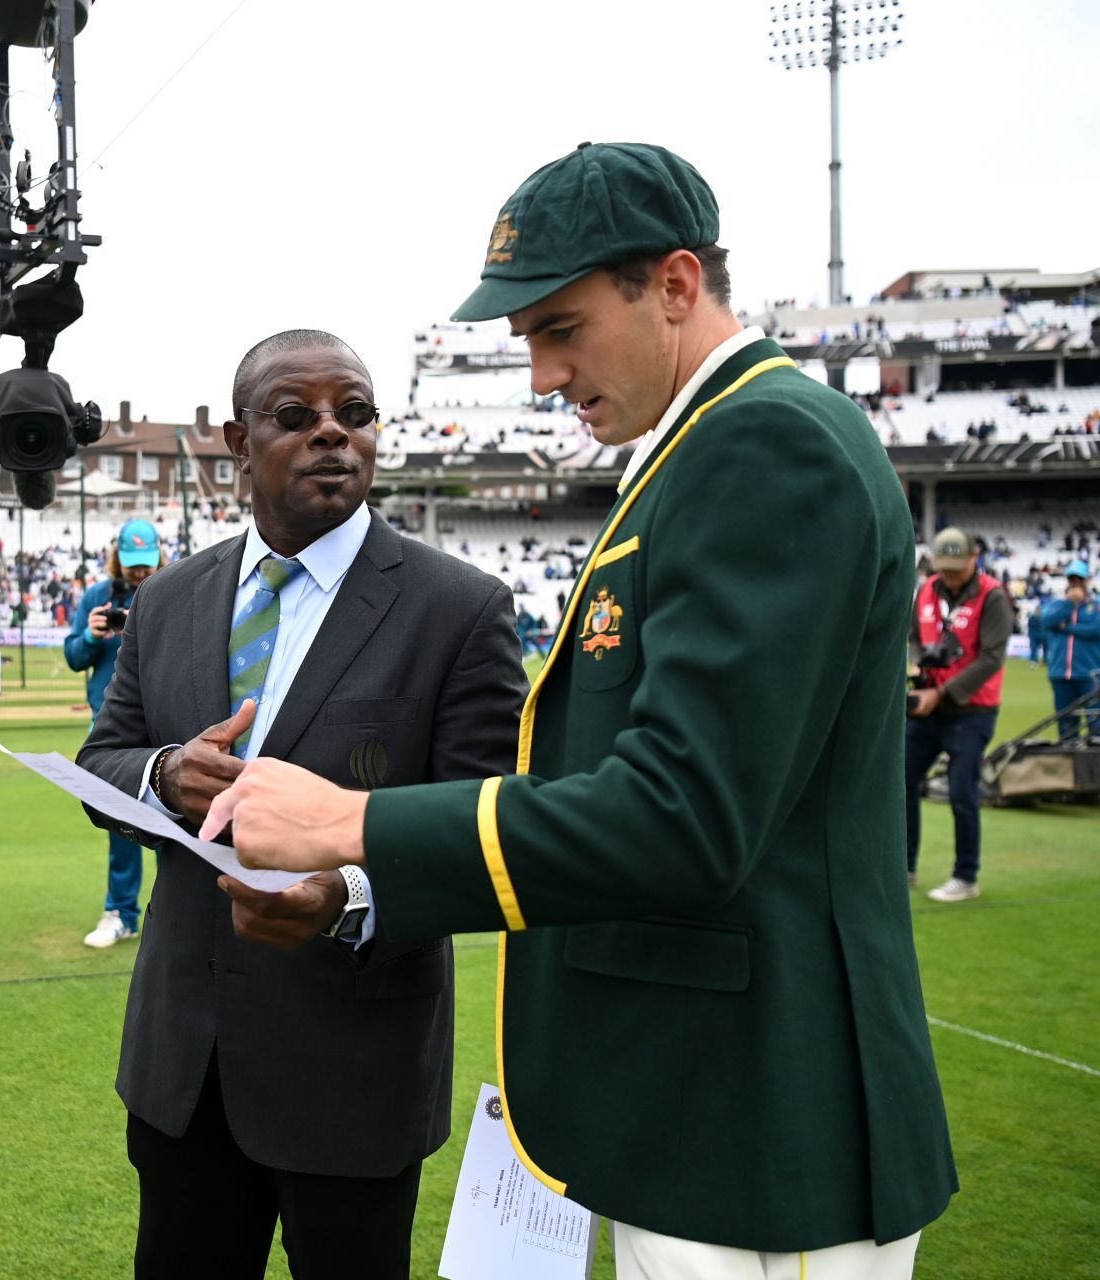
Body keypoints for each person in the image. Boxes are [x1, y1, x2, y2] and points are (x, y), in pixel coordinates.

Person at [204, 145, 955, 1278]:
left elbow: (684, 815)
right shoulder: (696, 451)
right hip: (693, 1093)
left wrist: (352, 826)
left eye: (563, 328)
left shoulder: (765, 444)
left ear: (674, 285)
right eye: (529, 342)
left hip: (760, 1115)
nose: (545, 374)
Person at [76, 330, 524, 1278]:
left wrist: (351, 896)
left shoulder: (460, 608)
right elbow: (102, 765)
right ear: (239, 442)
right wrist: (161, 775)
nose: (333, 434)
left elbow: (487, 835)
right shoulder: (171, 601)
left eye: (354, 413)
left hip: (354, 1074)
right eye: (297, 417)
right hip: (183, 1070)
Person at [65, 519, 162, 948]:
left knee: (173, 826)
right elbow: (73, 655)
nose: (139, 573)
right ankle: (121, 912)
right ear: (117, 558)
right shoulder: (96, 596)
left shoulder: (174, 589)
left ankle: (176, 914)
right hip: (110, 726)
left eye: (146, 564)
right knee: (120, 826)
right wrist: (92, 632)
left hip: (163, 722)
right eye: (132, 564)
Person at [907, 526, 1012, 902]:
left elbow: (992, 657)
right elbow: (915, 637)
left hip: (972, 709)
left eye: (957, 567)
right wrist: (921, 664)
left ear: (974, 559)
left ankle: (966, 877)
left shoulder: (993, 596)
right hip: (928, 706)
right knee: (901, 782)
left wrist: (943, 692)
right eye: (944, 567)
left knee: (962, 792)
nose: (949, 575)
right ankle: (905, 868)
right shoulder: (926, 590)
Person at [1039, 558, 1099, 739]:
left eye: (1079, 579)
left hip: (1090, 675)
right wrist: (1069, 604)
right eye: (1072, 579)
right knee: (1066, 727)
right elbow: (1046, 622)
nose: (1075, 583)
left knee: (1096, 726)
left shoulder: (1096, 606)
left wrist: (1066, 628)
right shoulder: (1058, 604)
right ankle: (1069, 765)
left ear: (1087, 580)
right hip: (1060, 674)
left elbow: (1094, 631)